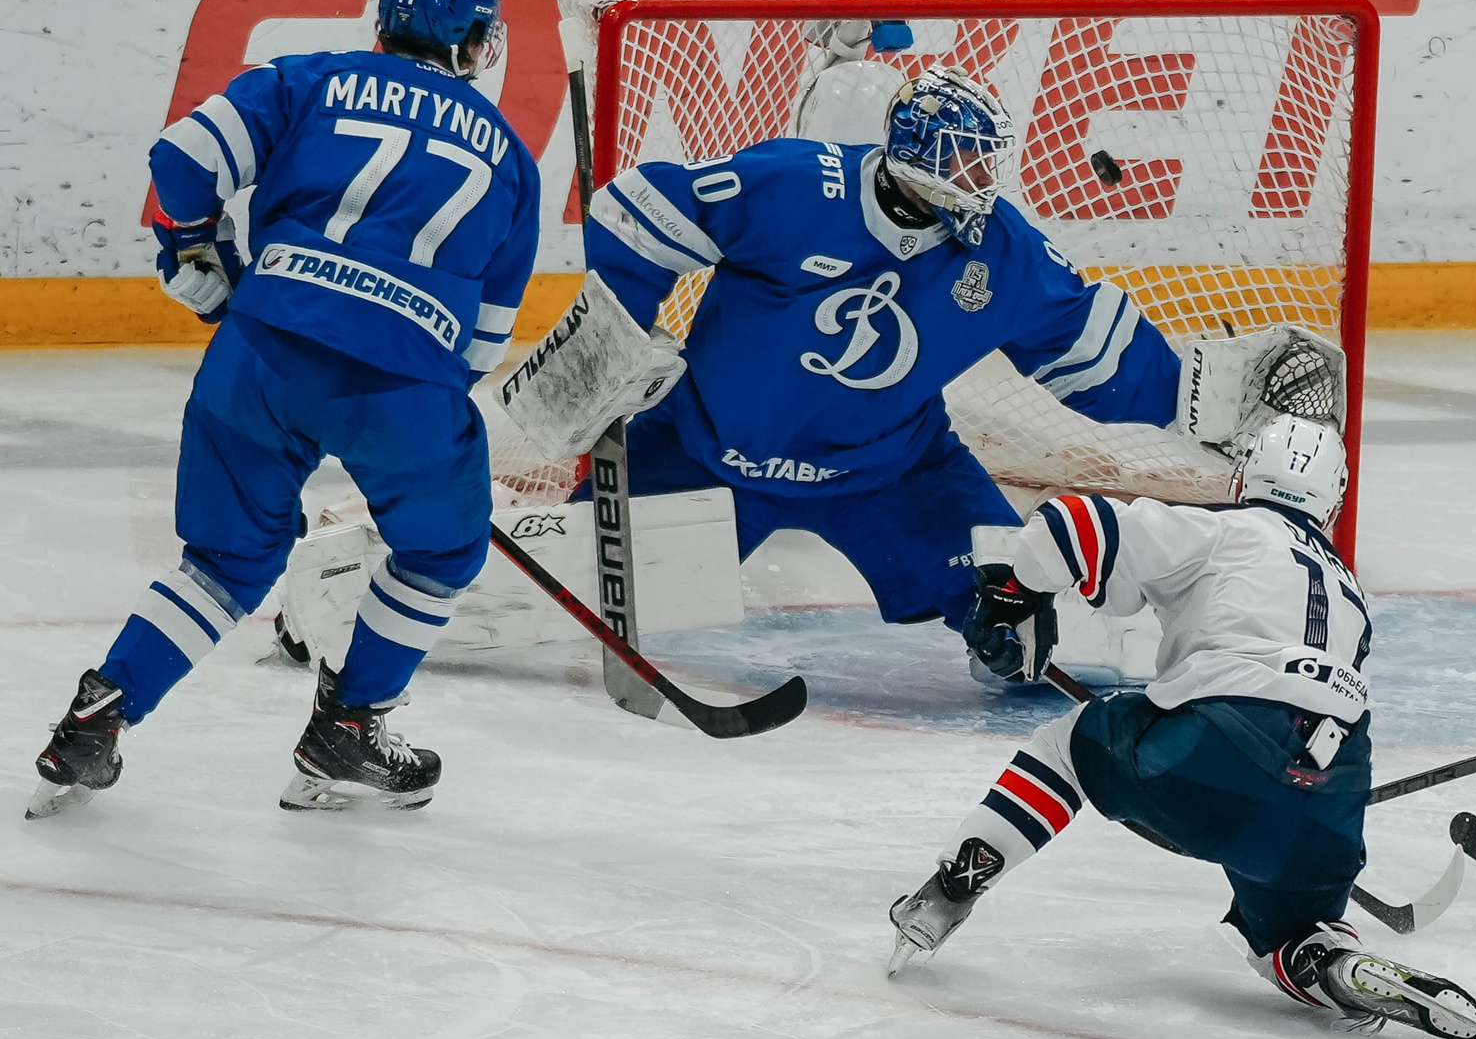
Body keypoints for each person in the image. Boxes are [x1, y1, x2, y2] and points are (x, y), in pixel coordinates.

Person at [502, 65, 1345, 677]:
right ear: (922, 159)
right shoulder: (800, 185)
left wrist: (1202, 396)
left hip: (896, 472)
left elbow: (1088, 346)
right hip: (705, 452)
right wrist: (621, 331)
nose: (986, 181)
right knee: (542, 598)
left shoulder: (1001, 249)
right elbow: (635, 213)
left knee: (1029, 638)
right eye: (970, 164)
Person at [28, 0, 536, 819]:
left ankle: (99, 715)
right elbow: (484, 341)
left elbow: (183, 160)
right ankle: (350, 724)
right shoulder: (514, 161)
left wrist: (194, 251)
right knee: (439, 551)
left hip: (261, 351)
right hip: (405, 382)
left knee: (225, 563)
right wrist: (419, 431)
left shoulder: (310, 79)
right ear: (467, 42)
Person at [884, 416, 1476, 1039]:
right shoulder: (1350, 594)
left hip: (1217, 748)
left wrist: (1016, 594)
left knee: (1067, 747)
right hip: (1333, 792)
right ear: (1333, 498)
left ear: (1241, 474)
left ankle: (956, 882)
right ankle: (1333, 959)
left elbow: (1069, 526)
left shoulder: (1222, 529)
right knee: (1284, 934)